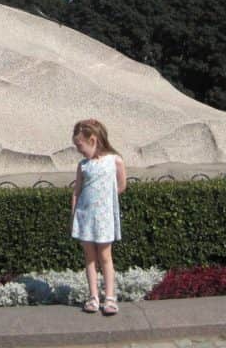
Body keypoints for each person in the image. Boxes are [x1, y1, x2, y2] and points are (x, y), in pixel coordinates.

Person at [71, 119, 127, 316]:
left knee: (105, 256)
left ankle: (110, 297)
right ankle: (93, 296)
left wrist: (104, 202)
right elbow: (76, 192)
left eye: (80, 145)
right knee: (89, 258)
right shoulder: (83, 165)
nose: (79, 150)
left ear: (92, 139)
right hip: (85, 216)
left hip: (103, 217)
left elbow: (121, 186)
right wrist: (74, 214)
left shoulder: (114, 160)